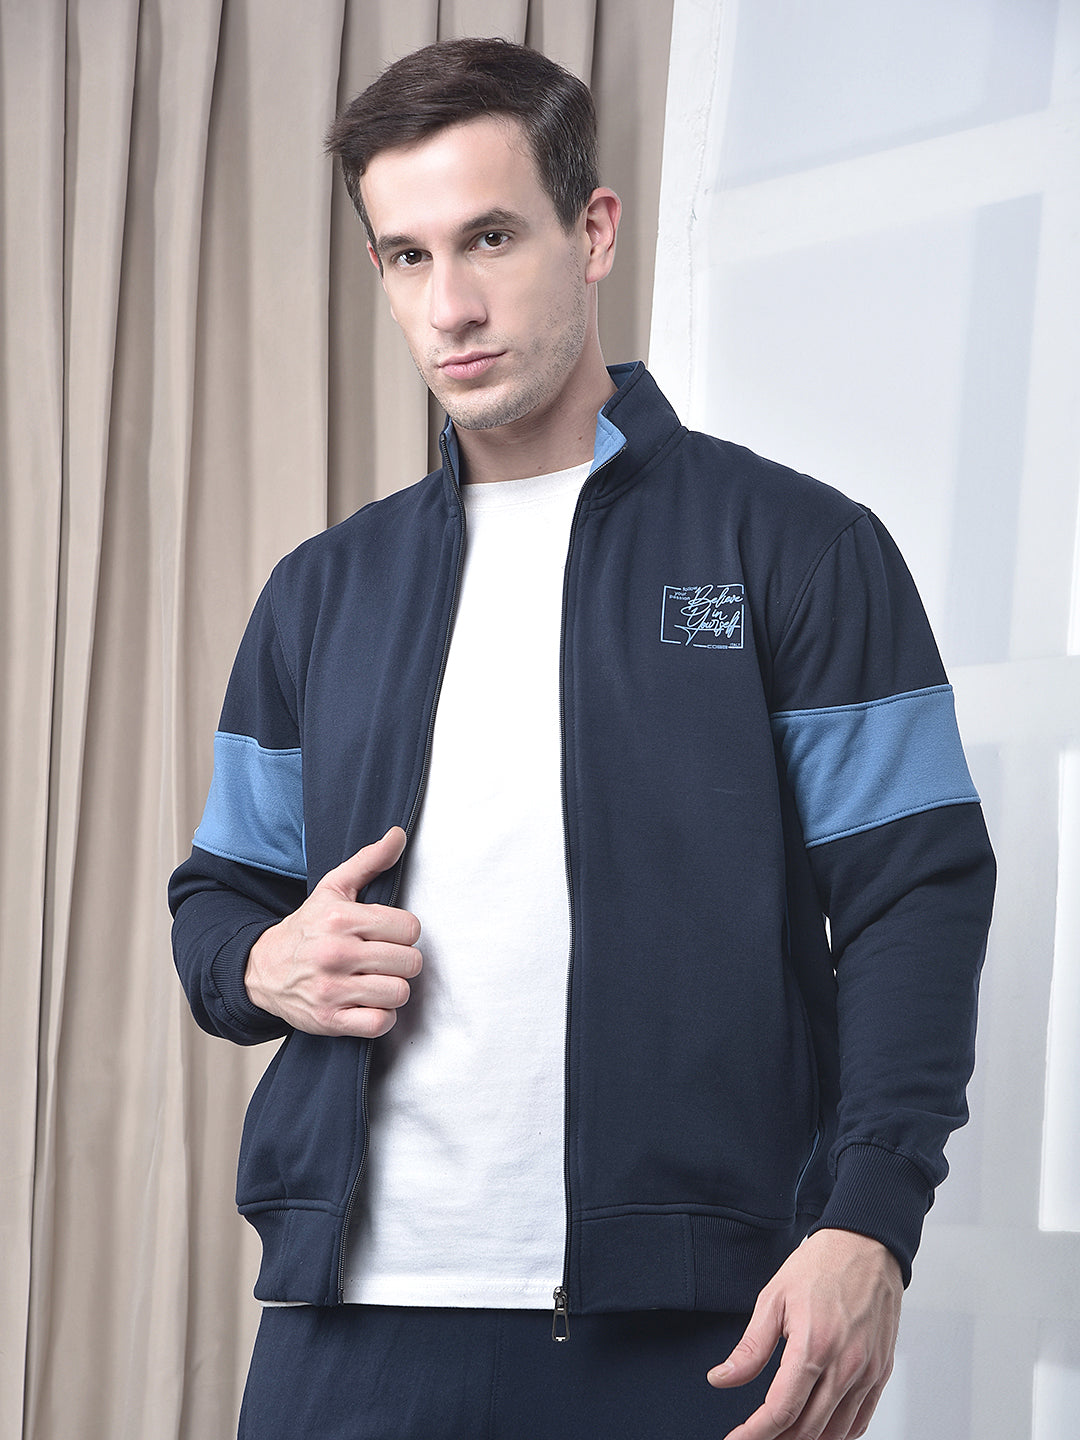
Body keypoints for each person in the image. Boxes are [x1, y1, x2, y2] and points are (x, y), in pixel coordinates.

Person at [169, 36, 995, 1440]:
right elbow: (219, 899)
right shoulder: (322, 593)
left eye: (490, 238)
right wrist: (262, 961)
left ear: (593, 231)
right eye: (409, 257)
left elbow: (915, 896)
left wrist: (870, 1222)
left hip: (699, 1326)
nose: (452, 304)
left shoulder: (796, 546)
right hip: (348, 1325)